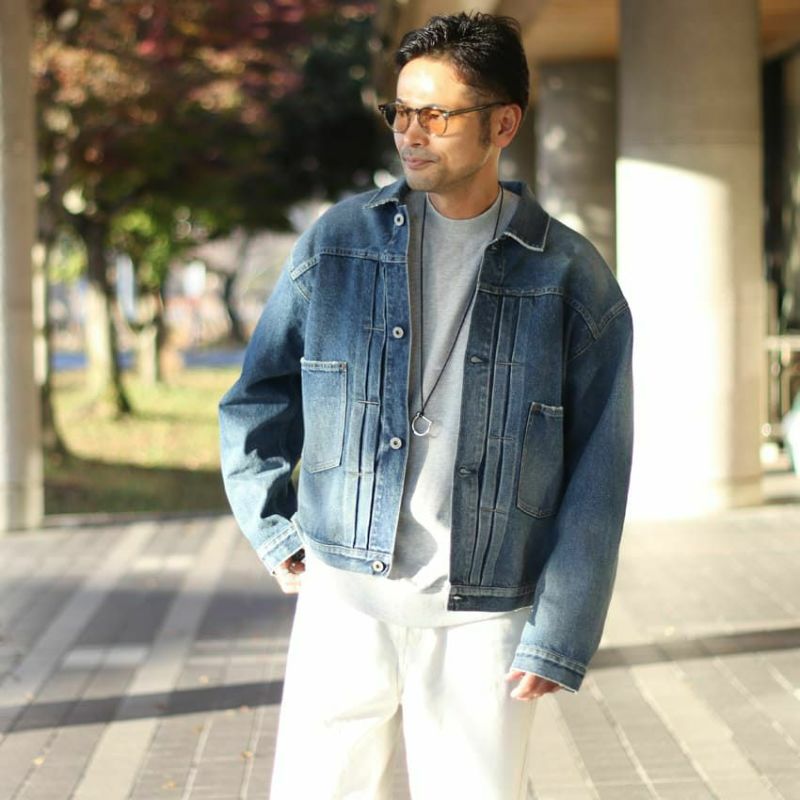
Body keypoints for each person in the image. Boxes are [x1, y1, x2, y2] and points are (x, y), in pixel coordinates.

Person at [219, 11, 633, 799]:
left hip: (483, 614)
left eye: (436, 115)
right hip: (343, 597)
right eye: (400, 112)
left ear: (503, 123)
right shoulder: (339, 243)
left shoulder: (569, 276)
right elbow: (258, 394)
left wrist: (562, 629)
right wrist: (274, 530)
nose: (410, 133)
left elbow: (598, 471)